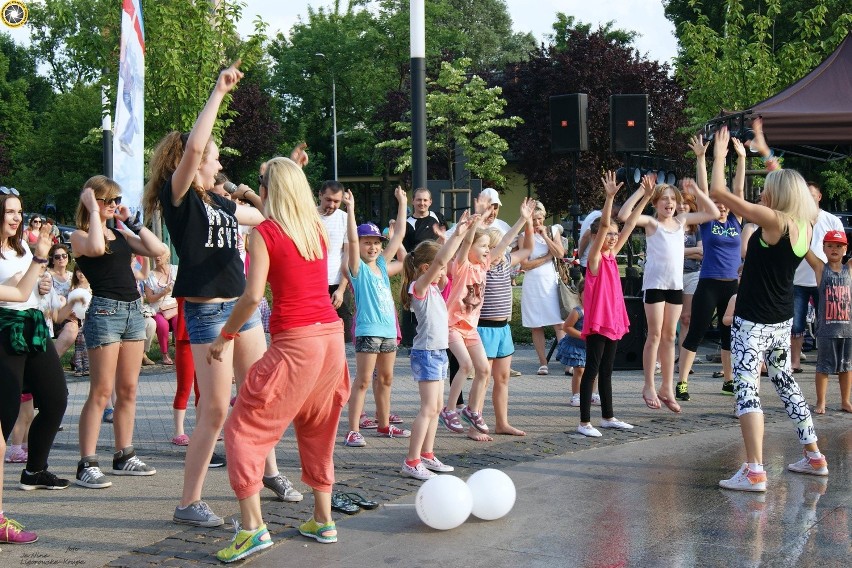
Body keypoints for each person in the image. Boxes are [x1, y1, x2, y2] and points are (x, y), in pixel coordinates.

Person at [144, 61, 302, 526]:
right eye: (215, 158)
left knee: (258, 398)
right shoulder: (180, 198)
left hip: (242, 309)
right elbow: (195, 144)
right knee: (215, 410)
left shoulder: (218, 200)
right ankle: (188, 501)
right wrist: (218, 91)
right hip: (209, 314)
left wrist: (277, 179)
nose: (218, 162)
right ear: (190, 165)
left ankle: (269, 472)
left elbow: (266, 218)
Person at [206, 156, 350, 563]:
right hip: (331, 340)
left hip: (297, 342)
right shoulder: (315, 230)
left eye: (260, 183)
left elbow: (252, 297)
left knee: (242, 430)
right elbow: (278, 203)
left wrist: (226, 335)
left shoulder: (264, 234)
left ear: (269, 190)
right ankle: (323, 519)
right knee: (318, 427)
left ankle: (252, 530)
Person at [713, 121, 828, 492]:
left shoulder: (774, 221)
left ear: (779, 196)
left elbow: (719, 192)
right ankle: (814, 456)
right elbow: (787, 183)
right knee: (785, 381)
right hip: (780, 321)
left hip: (754, 322)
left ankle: (755, 469)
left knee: (747, 387)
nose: (762, 193)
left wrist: (718, 154)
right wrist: (763, 150)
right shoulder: (805, 222)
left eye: (767, 190)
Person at [71, 178, 166, 488]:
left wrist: (132, 222)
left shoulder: (119, 233)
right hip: (105, 312)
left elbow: (158, 249)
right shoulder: (80, 236)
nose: (113, 205)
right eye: (107, 200)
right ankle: (87, 462)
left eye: (116, 199)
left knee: (128, 390)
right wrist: (92, 209)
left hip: (132, 312)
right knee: (100, 392)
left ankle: (124, 455)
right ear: (91, 200)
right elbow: (97, 248)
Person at [618, 174, 719, 412]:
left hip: (675, 286)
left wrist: (696, 190)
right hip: (654, 286)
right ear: (656, 204)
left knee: (669, 337)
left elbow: (713, 213)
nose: (669, 203)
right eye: (664, 199)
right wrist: (642, 193)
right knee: (653, 335)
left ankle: (667, 386)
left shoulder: (682, 221)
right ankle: (649, 386)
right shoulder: (652, 224)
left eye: (673, 199)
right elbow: (623, 216)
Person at [398, 214, 473, 480]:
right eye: (438, 269)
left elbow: (446, 262)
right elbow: (442, 260)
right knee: (428, 408)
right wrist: (457, 234)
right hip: (427, 353)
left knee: (437, 406)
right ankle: (411, 460)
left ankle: (427, 455)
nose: (443, 272)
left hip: (438, 352)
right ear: (426, 267)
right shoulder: (418, 287)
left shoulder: (433, 290)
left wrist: (461, 235)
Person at [0, 204, 58, 545]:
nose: (17, 216)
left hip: (32, 325)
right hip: (5, 332)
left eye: (19, 211)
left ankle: (35, 469)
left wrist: (42, 276)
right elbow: (17, 292)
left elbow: (28, 291)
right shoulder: (30, 253)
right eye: (9, 211)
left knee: (55, 399)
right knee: (3, 424)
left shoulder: (21, 249)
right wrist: (40, 259)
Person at [576, 172, 648, 437]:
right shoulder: (594, 260)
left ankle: (608, 416)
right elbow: (606, 225)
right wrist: (609, 198)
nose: (613, 237)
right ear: (596, 237)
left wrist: (645, 196)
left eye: (614, 235)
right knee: (592, 370)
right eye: (608, 235)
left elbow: (627, 227)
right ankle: (584, 422)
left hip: (613, 320)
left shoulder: (611, 256)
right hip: (598, 322)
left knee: (607, 370)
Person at [676, 133, 746, 399]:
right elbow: (704, 190)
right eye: (717, 204)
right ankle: (682, 381)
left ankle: (729, 381)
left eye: (724, 204)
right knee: (696, 330)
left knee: (730, 333)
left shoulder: (735, 220)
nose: (721, 207)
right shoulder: (708, 221)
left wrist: (740, 158)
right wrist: (701, 157)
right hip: (708, 282)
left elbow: (738, 191)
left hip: (731, 283)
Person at [342, 187, 408, 448]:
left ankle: (383, 425)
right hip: (368, 331)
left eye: (376, 243)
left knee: (387, 379)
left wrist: (402, 203)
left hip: (389, 330)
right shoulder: (356, 268)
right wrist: (350, 210)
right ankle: (353, 429)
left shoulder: (381, 265)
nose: (372, 246)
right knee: (364, 379)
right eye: (367, 242)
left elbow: (400, 234)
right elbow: (352, 240)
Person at [476, 199, 538, 437]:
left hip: (503, 329)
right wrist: (520, 219)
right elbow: (503, 245)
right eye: (497, 246)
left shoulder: (505, 264)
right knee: (483, 379)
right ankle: (476, 423)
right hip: (485, 329)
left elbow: (528, 249)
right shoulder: (485, 264)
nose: (506, 248)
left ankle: (502, 423)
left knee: (502, 379)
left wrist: (529, 223)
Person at [790, 181, 843, 373]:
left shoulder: (831, 220)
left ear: (819, 197)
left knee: (828, 322)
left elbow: (842, 248)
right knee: (796, 324)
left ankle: (828, 361)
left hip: (826, 280)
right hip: (797, 280)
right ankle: (795, 362)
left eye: (812, 195)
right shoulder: (793, 219)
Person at [802, 230, 852, 414]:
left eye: (839, 246)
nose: (834, 249)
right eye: (830, 245)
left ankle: (845, 401)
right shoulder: (821, 269)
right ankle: (821, 402)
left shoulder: (849, 269)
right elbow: (804, 250)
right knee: (823, 367)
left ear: (845, 249)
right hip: (826, 330)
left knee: (847, 367)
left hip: (848, 330)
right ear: (823, 248)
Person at [519, 203, 566, 375]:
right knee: (536, 325)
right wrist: (547, 257)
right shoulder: (523, 236)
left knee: (559, 323)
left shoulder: (553, 232)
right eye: (533, 219)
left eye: (540, 219)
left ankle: (568, 361)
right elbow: (525, 264)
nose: (537, 222)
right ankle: (542, 362)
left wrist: (546, 237)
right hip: (532, 284)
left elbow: (560, 253)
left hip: (550, 282)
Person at [315, 180, 353, 342]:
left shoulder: (345, 218)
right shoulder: (307, 216)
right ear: (320, 195)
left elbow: (348, 255)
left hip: (337, 282)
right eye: (328, 200)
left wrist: (342, 289)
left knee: (344, 335)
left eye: (336, 201)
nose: (331, 205)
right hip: (313, 283)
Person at [675, 190, 702, 396]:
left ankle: (684, 359)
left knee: (687, 319)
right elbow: (666, 249)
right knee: (668, 320)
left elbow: (702, 252)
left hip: (692, 274)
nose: (682, 206)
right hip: (672, 274)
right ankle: (665, 359)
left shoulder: (697, 228)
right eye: (679, 203)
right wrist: (690, 252)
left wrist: (678, 250)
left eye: (686, 203)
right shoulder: (670, 224)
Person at [557, 281, 600, 408]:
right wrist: (582, 335)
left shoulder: (598, 310)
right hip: (577, 346)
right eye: (586, 294)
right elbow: (566, 327)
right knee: (579, 370)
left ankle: (593, 394)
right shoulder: (577, 311)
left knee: (593, 370)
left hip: (592, 347)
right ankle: (576, 395)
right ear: (579, 295)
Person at [144, 249, 178, 365]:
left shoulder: (175, 270)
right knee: (162, 325)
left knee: (179, 321)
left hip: (174, 307)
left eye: (160, 255)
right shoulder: (150, 276)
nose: (157, 257)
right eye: (155, 255)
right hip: (158, 309)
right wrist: (164, 292)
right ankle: (165, 354)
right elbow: (150, 298)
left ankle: (180, 352)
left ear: (167, 256)